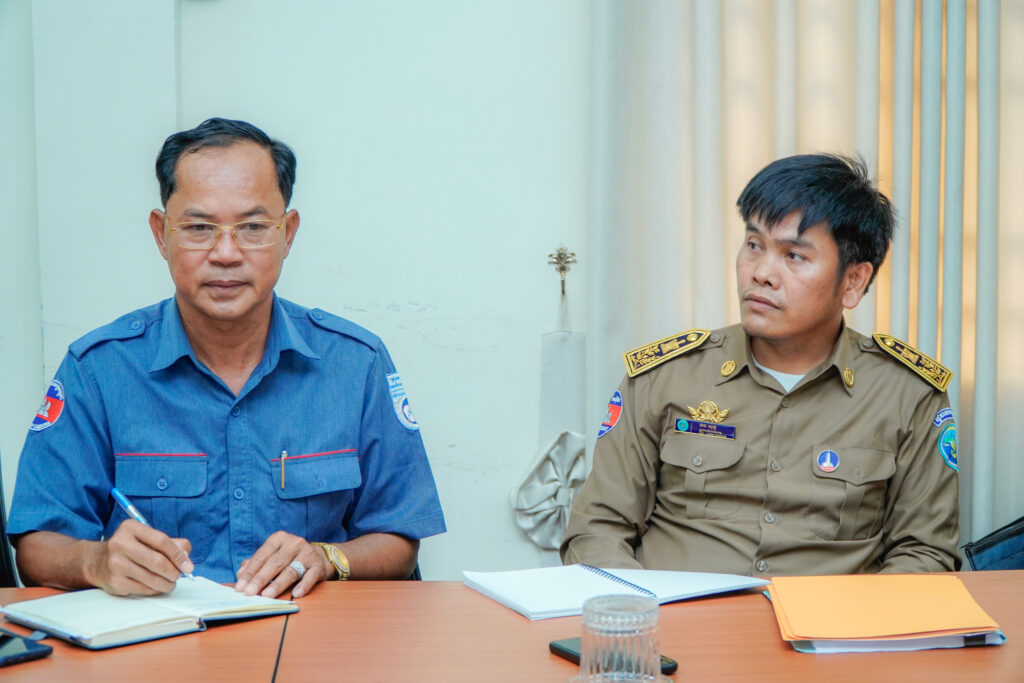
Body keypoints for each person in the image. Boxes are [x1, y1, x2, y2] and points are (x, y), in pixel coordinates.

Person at [8, 118, 446, 598]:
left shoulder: (355, 363)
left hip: (312, 631)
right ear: (160, 234)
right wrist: (96, 561)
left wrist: (326, 557)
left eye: (253, 227)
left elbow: (400, 540)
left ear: (288, 233)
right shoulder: (99, 369)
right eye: (198, 227)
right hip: (162, 635)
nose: (225, 253)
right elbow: (36, 546)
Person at [561, 154, 960, 576]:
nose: (761, 273)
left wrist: (847, 619)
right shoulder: (664, 377)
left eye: (794, 256)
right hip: (672, 615)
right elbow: (596, 530)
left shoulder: (908, 395)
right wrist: (643, 606)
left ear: (853, 281)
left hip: (826, 619)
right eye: (754, 245)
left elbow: (925, 554)